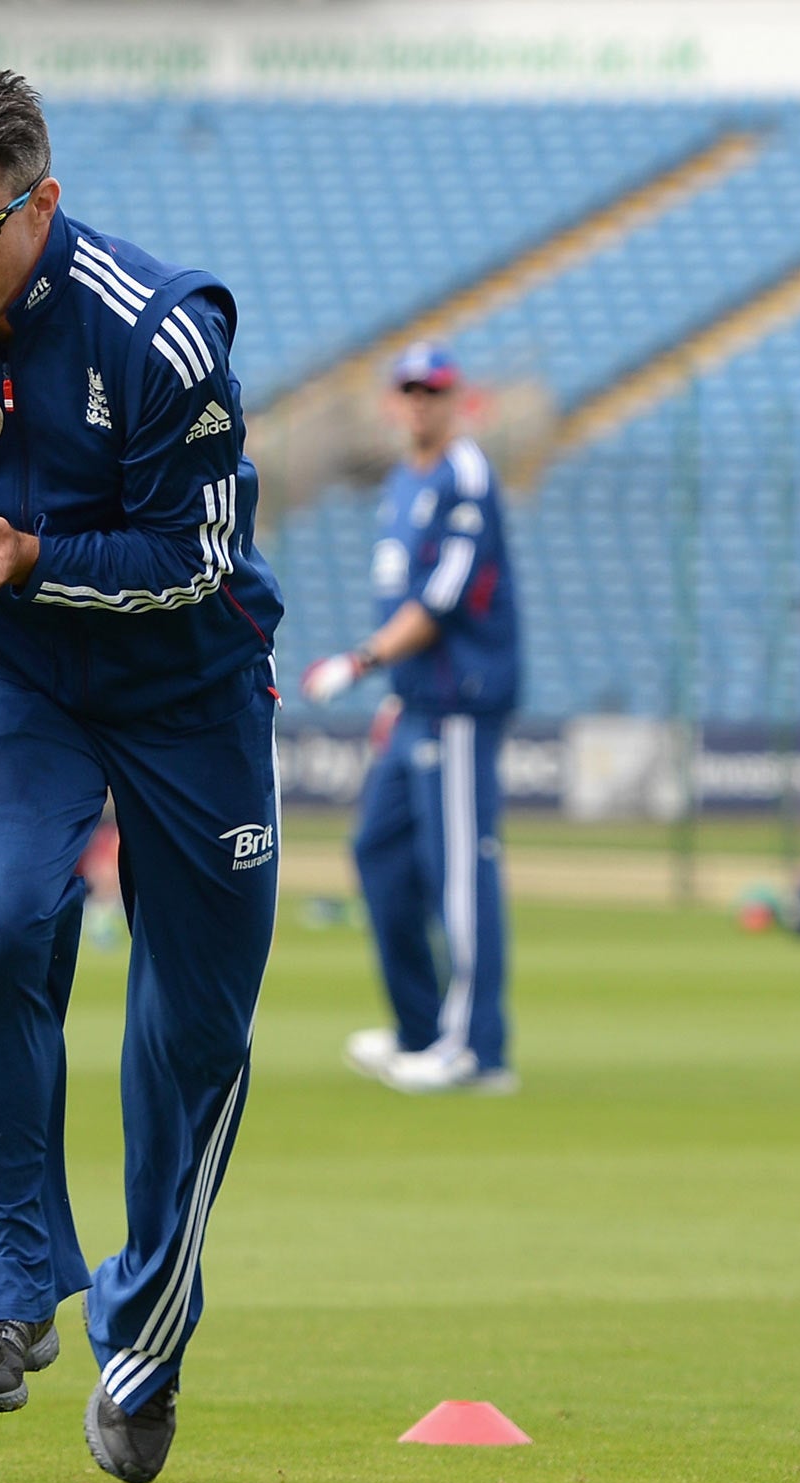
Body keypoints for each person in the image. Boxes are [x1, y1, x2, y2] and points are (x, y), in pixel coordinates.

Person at [0, 65, 284, 1483]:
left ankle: (145, 1332)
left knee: (191, 1036)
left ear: (45, 201)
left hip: (193, 697)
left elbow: (196, 558)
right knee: (5, 922)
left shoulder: (163, 335)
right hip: (19, 679)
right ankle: (4, 1288)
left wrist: (35, 563)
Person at [300, 341, 522, 1094]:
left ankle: (474, 1051)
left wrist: (361, 662)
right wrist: (393, 693)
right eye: (410, 390)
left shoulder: (465, 475)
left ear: (456, 398)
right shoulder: (404, 479)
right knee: (380, 854)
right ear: (395, 400)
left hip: (459, 700)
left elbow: (443, 599)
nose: (421, 402)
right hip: (418, 701)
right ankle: (421, 1030)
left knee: (460, 872)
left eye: (435, 390)